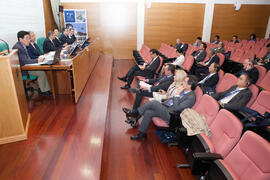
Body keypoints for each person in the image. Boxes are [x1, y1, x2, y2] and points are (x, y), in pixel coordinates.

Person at [126, 75, 197, 140]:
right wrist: (166, 96)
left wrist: (177, 94)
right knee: (148, 113)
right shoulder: (184, 90)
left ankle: (135, 113)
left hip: (173, 116)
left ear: (189, 85)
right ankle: (142, 134)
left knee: (154, 103)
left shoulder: (191, 98)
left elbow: (176, 108)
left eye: (184, 81)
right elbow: (171, 99)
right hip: (167, 108)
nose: (182, 82)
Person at [12, 31, 51, 96]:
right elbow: (26, 61)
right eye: (27, 38)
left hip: (27, 66)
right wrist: (37, 60)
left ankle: (44, 89)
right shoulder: (18, 47)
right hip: (23, 70)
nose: (29, 40)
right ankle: (44, 91)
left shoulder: (23, 45)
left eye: (29, 38)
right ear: (20, 39)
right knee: (41, 72)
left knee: (42, 71)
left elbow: (28, 59)